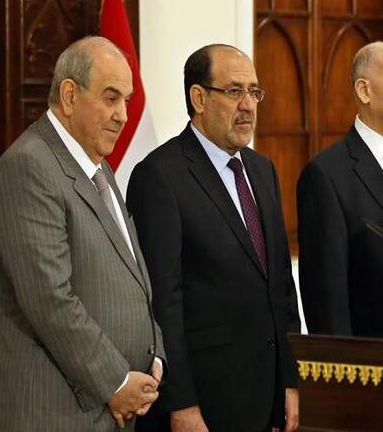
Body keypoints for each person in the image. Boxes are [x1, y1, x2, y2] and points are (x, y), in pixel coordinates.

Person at [0, 36, 165, 432]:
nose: (123, 115)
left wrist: (154, 354)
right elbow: (49, 300)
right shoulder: (28, 168)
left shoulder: (99, 168)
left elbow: (131, 273)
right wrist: (116, 382)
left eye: (127, 100)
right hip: (51, 411)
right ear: (70, 95)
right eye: (110, 98)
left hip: (110, 411)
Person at [127, 44, 300, 432]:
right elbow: (161, 302)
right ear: (199, 98)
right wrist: (181, 403)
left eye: (254, 92)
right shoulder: (160, 175)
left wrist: (290, 379)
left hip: (267, 394)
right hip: (206, 401)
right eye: (234, 91)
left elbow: (280, 287)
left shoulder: (263, 170)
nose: (248, 105)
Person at [297, 41, 383, 338]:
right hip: (369, 353)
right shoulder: (326, 174)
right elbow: (325, 296)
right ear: (364, 91)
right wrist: (338, 362)